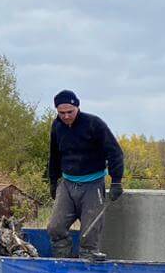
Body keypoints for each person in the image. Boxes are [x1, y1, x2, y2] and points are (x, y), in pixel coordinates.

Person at [47, 90, 124, 258]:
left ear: (77, 107)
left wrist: (116, 181)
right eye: (62, 113)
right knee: (55, 227)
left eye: (70, 112)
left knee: (89, 234)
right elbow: (54, 155)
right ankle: (63, 262)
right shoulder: (57, 126)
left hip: (93, 185)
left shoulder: (94, 124)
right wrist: (53, 181)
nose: (66, 116)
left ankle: (86, 266)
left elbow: (115, 152)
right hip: (67, 184)